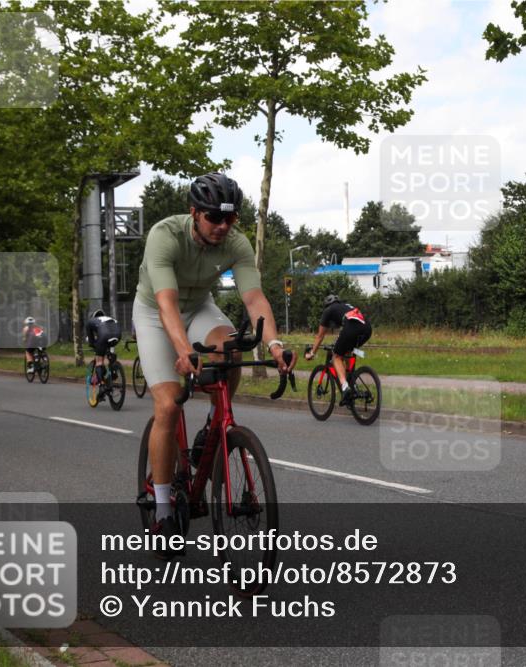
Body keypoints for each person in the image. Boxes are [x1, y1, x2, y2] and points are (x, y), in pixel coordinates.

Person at [134, 172, 295, 558]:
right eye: (214, 218)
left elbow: (254, 298)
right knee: (169, 403)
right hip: (157, 313)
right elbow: (167, 303)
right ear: (194, 214)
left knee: (232, 348)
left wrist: (274, 344)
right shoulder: (165, 235)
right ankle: (162, 507)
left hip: (201, 308)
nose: (223, 226)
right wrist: (181, 349)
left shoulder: (236, 243)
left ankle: (213, 426)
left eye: (231, 219)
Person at [304, 294, 372, 407]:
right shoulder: (346, 306)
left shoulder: (328, 310)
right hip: (367, 328)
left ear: (326, 305)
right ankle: (352, 384)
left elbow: (320, 336)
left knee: (336, 356)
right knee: (346, 352)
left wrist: (312, 353)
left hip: (351, 327)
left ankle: (345, 388)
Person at [85, 309, 122, 383]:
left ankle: (101, 386)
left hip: (104, 336)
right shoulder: (108, 318)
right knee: (110, 352)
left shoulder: (90, 322)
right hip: (118, 335)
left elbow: (91, 340)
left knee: (99, 361)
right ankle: (113, 371)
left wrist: (94, 346)